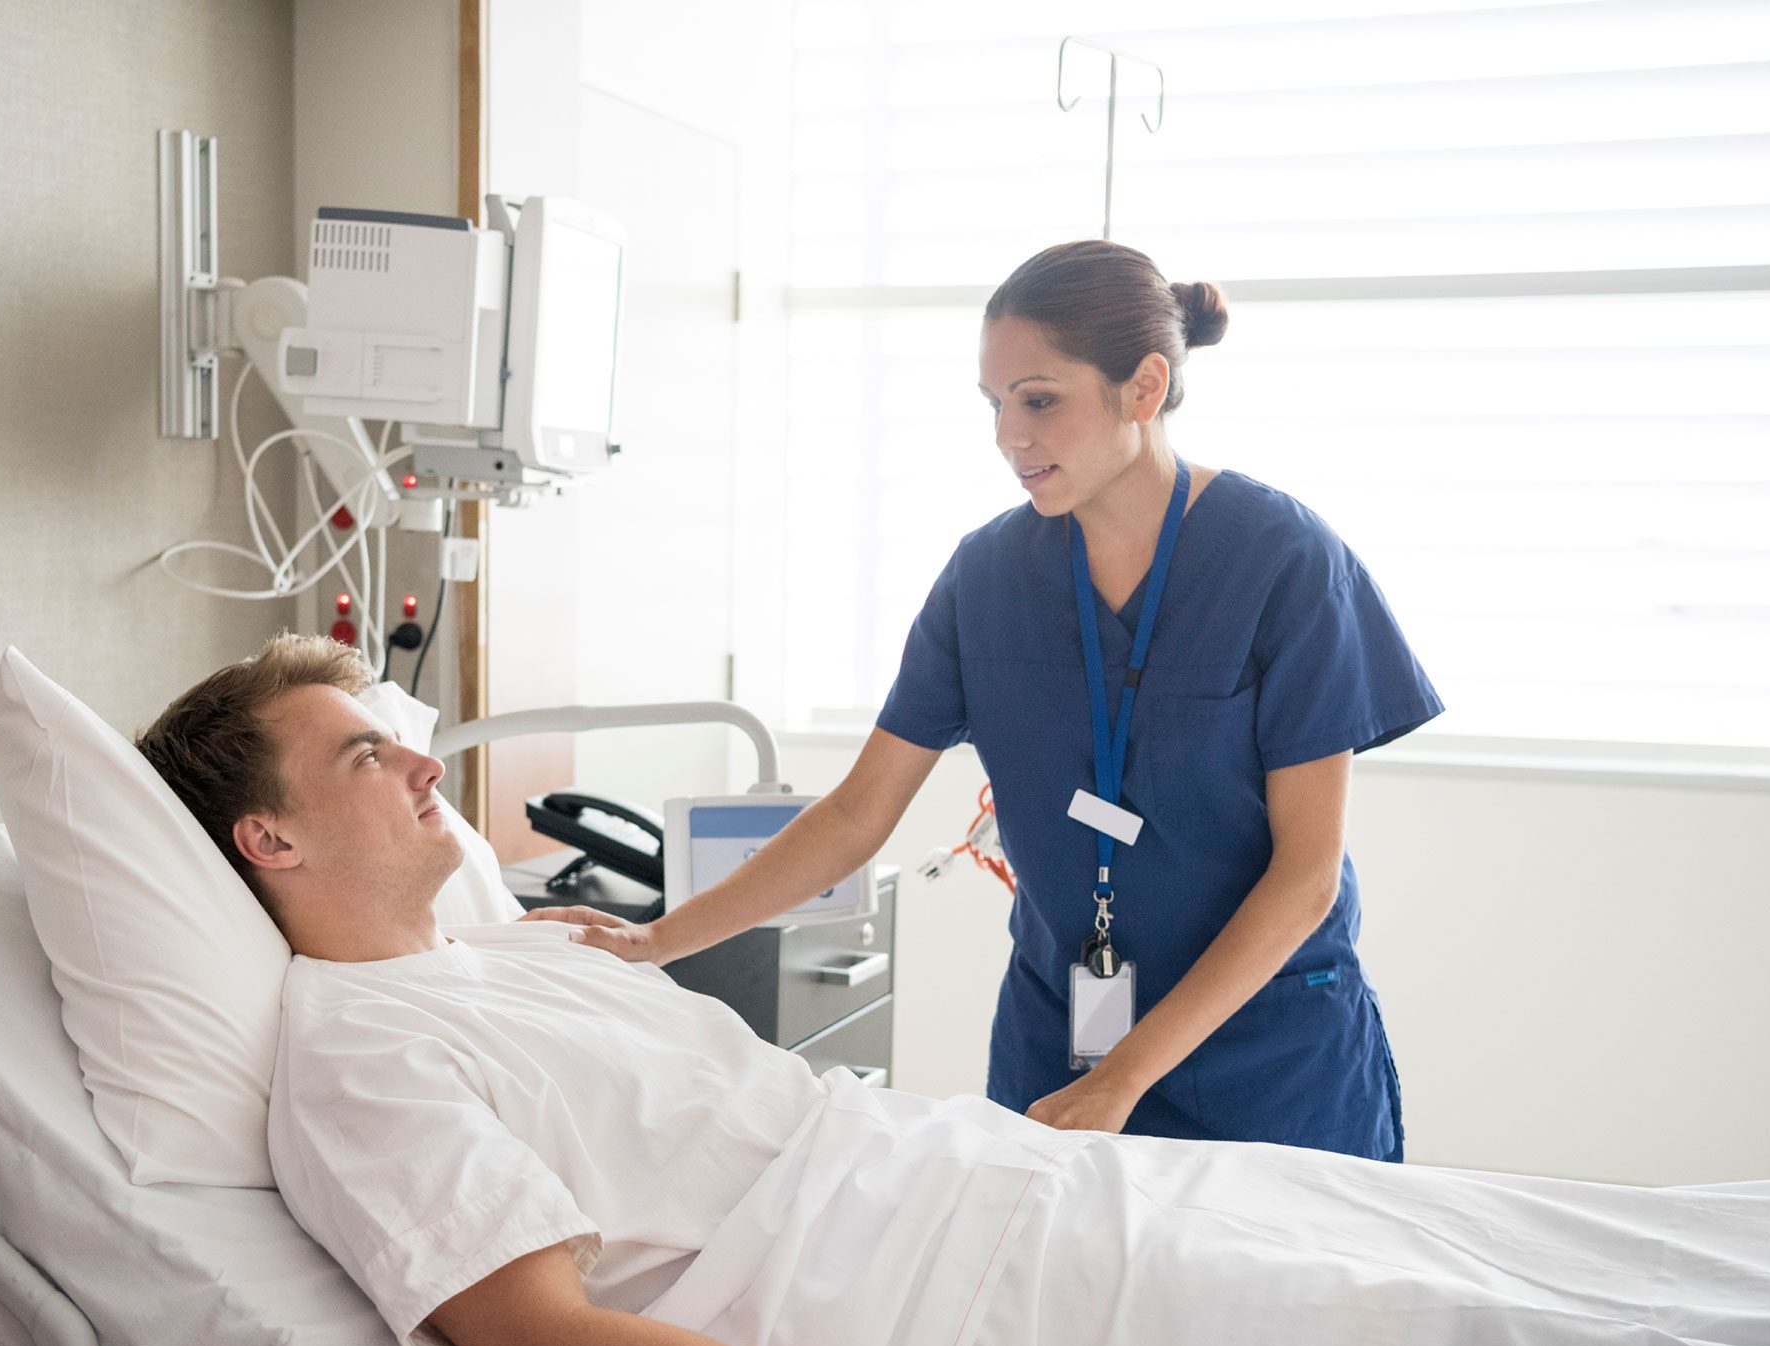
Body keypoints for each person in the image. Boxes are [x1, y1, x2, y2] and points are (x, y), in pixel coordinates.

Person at [133, 636, 1770, 1346]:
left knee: (1528, 1268)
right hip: (921, 1302)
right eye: (362, 751)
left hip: (994, 1187)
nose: (417, 756)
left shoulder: (513, 955)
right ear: (265, 843)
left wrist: (614, 951)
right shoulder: (356, 1055)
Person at [530, 240, 1444, 1161]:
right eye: (994, 404)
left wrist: (1126, 1078)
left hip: (1268, 1059)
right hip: (1061, 1049)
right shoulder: (989, 577)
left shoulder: (1281, 560)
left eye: (1040, 399)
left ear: (1145, 387)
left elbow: (1306, 876)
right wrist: (657, 941)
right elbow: (856, 814)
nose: (1008, 435)